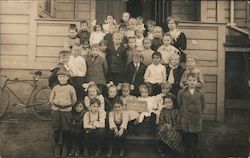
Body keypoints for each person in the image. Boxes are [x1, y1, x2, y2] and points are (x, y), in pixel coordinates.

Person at [49, 69, 77, 158]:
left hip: (66, 111)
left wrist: (67, 106)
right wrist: (55, 104)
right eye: (60, 77)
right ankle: (57, 145)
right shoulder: (55, 87)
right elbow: (51, 98)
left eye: (64, 77)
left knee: (66, 129)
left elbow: (74, 100)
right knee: (56, 128)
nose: (62, 78)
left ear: (68, 78)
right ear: (58, 78)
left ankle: (65, 146)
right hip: (56, 110)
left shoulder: (70, 88)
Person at [177, 73, 206, 158]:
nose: (192, 82)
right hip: (186, 117)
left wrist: (199, 113)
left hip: (196, 118)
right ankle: (187, 153)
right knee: (186, 136)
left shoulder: (200, 93)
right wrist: (183, 112)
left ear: (197, 82)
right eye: (190, 80)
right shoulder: (182, 92)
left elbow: (203, 104)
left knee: (195, 136)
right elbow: (179, 103)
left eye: (194, 80)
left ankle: (195, 153)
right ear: (186, 81)